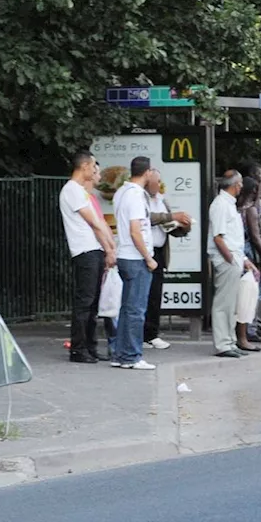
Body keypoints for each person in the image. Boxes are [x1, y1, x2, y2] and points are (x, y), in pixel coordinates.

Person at [59, 151, 117, 364]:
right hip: (85, 251)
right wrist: (110, 248)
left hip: (93, 249)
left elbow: (98, 223)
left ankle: (90, 346)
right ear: (84, 166)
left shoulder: (80, 191)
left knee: (92, 303)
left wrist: (108, 248)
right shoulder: (72, 190)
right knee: (85, 302)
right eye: (93, 166)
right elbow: (95, 222)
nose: (95, 171)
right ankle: (79, 348)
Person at [110, 157, 159, 370]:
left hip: (124, 254)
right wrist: (148, 257)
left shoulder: (121, 192)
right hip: (136, 257)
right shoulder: (137, 196)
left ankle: (120, 353)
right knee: (136, 309)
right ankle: (132, 356)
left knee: (127, 308)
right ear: (147, 173)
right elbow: (135, 230)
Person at [208, 170, 258, 358]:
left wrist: (242, 260)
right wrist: (230, 258)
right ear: (236, 185)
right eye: (240, 185)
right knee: (224, 303)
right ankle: (223, 344)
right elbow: (218, 237)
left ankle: (229, 341)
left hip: (233, 258)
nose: (241, 188)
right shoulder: (221, 205)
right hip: (227, 259)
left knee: (230, 303)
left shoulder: (226, 204)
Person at [143, 168, 192, 351]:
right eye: (155, 181)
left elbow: (168, 224)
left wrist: (183, 227)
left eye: (159, 181)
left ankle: (152, 333)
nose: (158, 185)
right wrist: (171, 217)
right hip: (145, 251)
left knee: (156, 294)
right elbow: (148, 218)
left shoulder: (162, 200)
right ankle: (144, 334)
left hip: (160, 251)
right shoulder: (141, 199)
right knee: (145, 294)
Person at [233, 177, 261, 353]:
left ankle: (241, 335)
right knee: (247, 295)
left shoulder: (238, 209)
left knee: (241, 296)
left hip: (240, 254)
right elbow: (255, 237)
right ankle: (244, 336)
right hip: (245, 255)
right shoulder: (250, 210)